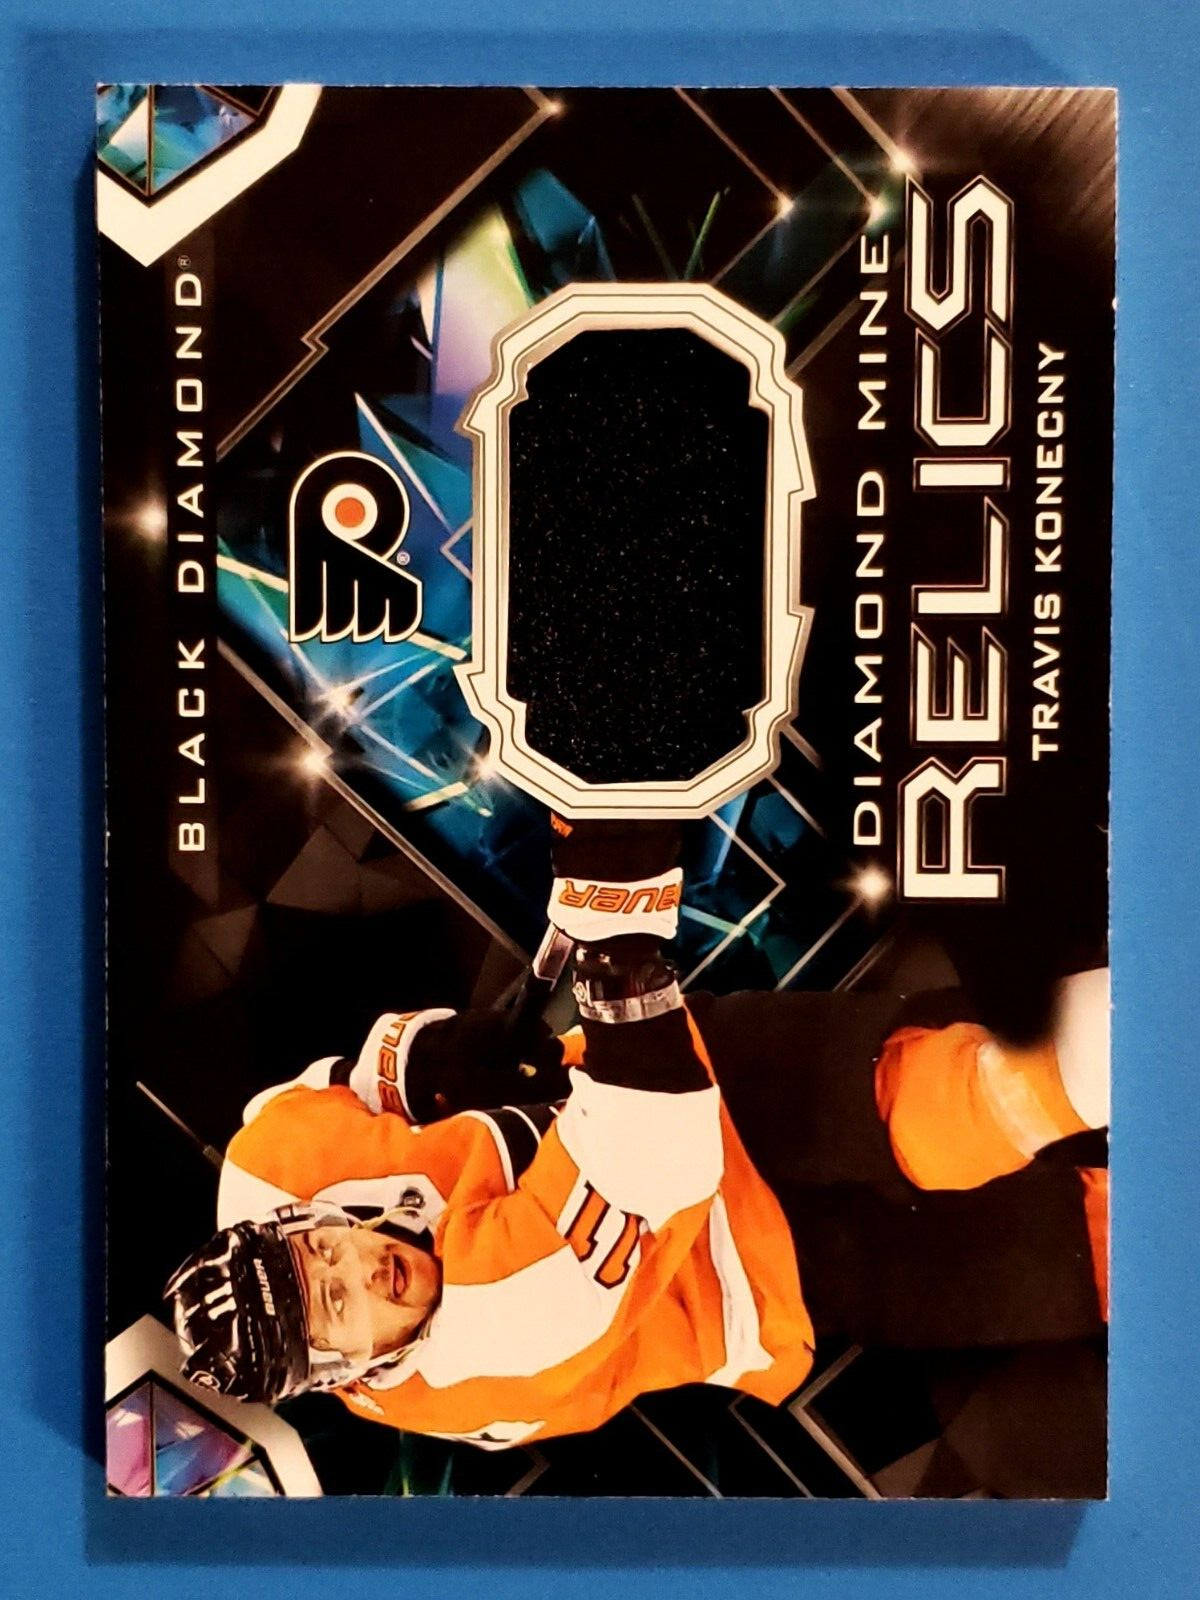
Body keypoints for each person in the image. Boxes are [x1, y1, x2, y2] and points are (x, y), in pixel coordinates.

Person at [167, 821, 1108, 1451]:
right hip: (737, 1280)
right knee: (1079, 1249)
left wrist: (430, 1060)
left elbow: (341, 1085)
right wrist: (618, 942)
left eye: (321, 1250)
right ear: (337, 1375)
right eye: (334, 1306)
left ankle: (1138, 1028)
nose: (358, 1268)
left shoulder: (269, 1166)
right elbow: (656, 1154)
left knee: (955, 1085)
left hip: (704, 1087)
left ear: (292, 1222)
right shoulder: (479, 1353)